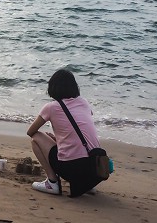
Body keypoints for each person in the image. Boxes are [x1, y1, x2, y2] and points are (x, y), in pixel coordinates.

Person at [26, 68, 102, 197]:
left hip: (72, 168)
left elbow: (31, 131)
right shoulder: (83, 103)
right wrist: (57, 139)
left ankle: (52, 182)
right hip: (95, 168)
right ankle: (87, 185)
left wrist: (52, 139)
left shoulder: (51, 107)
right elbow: (79, 130)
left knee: (36, 138)